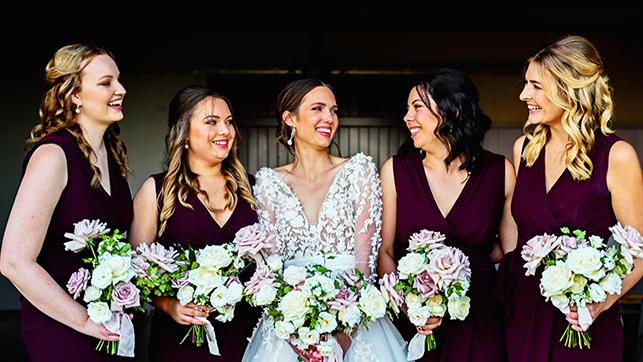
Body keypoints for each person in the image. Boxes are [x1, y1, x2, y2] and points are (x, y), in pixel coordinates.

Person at [498, 35, 643, 361]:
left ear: (568, 88)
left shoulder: (617, 156)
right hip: (525, 314)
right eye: (525, 84)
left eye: (535, 85)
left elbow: (640, 250)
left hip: (582, 323)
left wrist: (599, 302)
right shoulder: (524, 150)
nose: (524, 95)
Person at [242, 78, 408, 361]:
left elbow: (364, 263)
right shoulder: (268, 182)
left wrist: (341, 337)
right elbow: (270, 268)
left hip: (356, 322)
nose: (329, 118)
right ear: (289, 118)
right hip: (288, 328)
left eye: (333, 110)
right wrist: (299, 336)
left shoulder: (359, 171)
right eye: (317, 109)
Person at [0, 44, 131, 361]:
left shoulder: (111, 156)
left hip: (107, 326)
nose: (121, 89)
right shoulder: (53, 156)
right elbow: (14, 261)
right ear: (75, 95)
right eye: (106, 82)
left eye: (118, 80)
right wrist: (83, 319)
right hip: (62, 330)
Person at [377, 69, 516, 361]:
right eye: (407, 109)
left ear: (452, 111)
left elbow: (509, 252)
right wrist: (407, 305)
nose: (407, 117)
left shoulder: (500, 171)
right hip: (420, 324)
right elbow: (385, 251)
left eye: (417, 107)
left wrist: (465, 261)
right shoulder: (395, 171)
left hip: (481, 319)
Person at [129, 85, 259, 361]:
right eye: (212, 122)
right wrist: (168, 305)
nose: (225, 131)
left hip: (248, 338)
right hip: (182, 340)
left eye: (229, 122)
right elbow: (136, 270)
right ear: (184, 131)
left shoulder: (255, 187)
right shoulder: (156, 191)